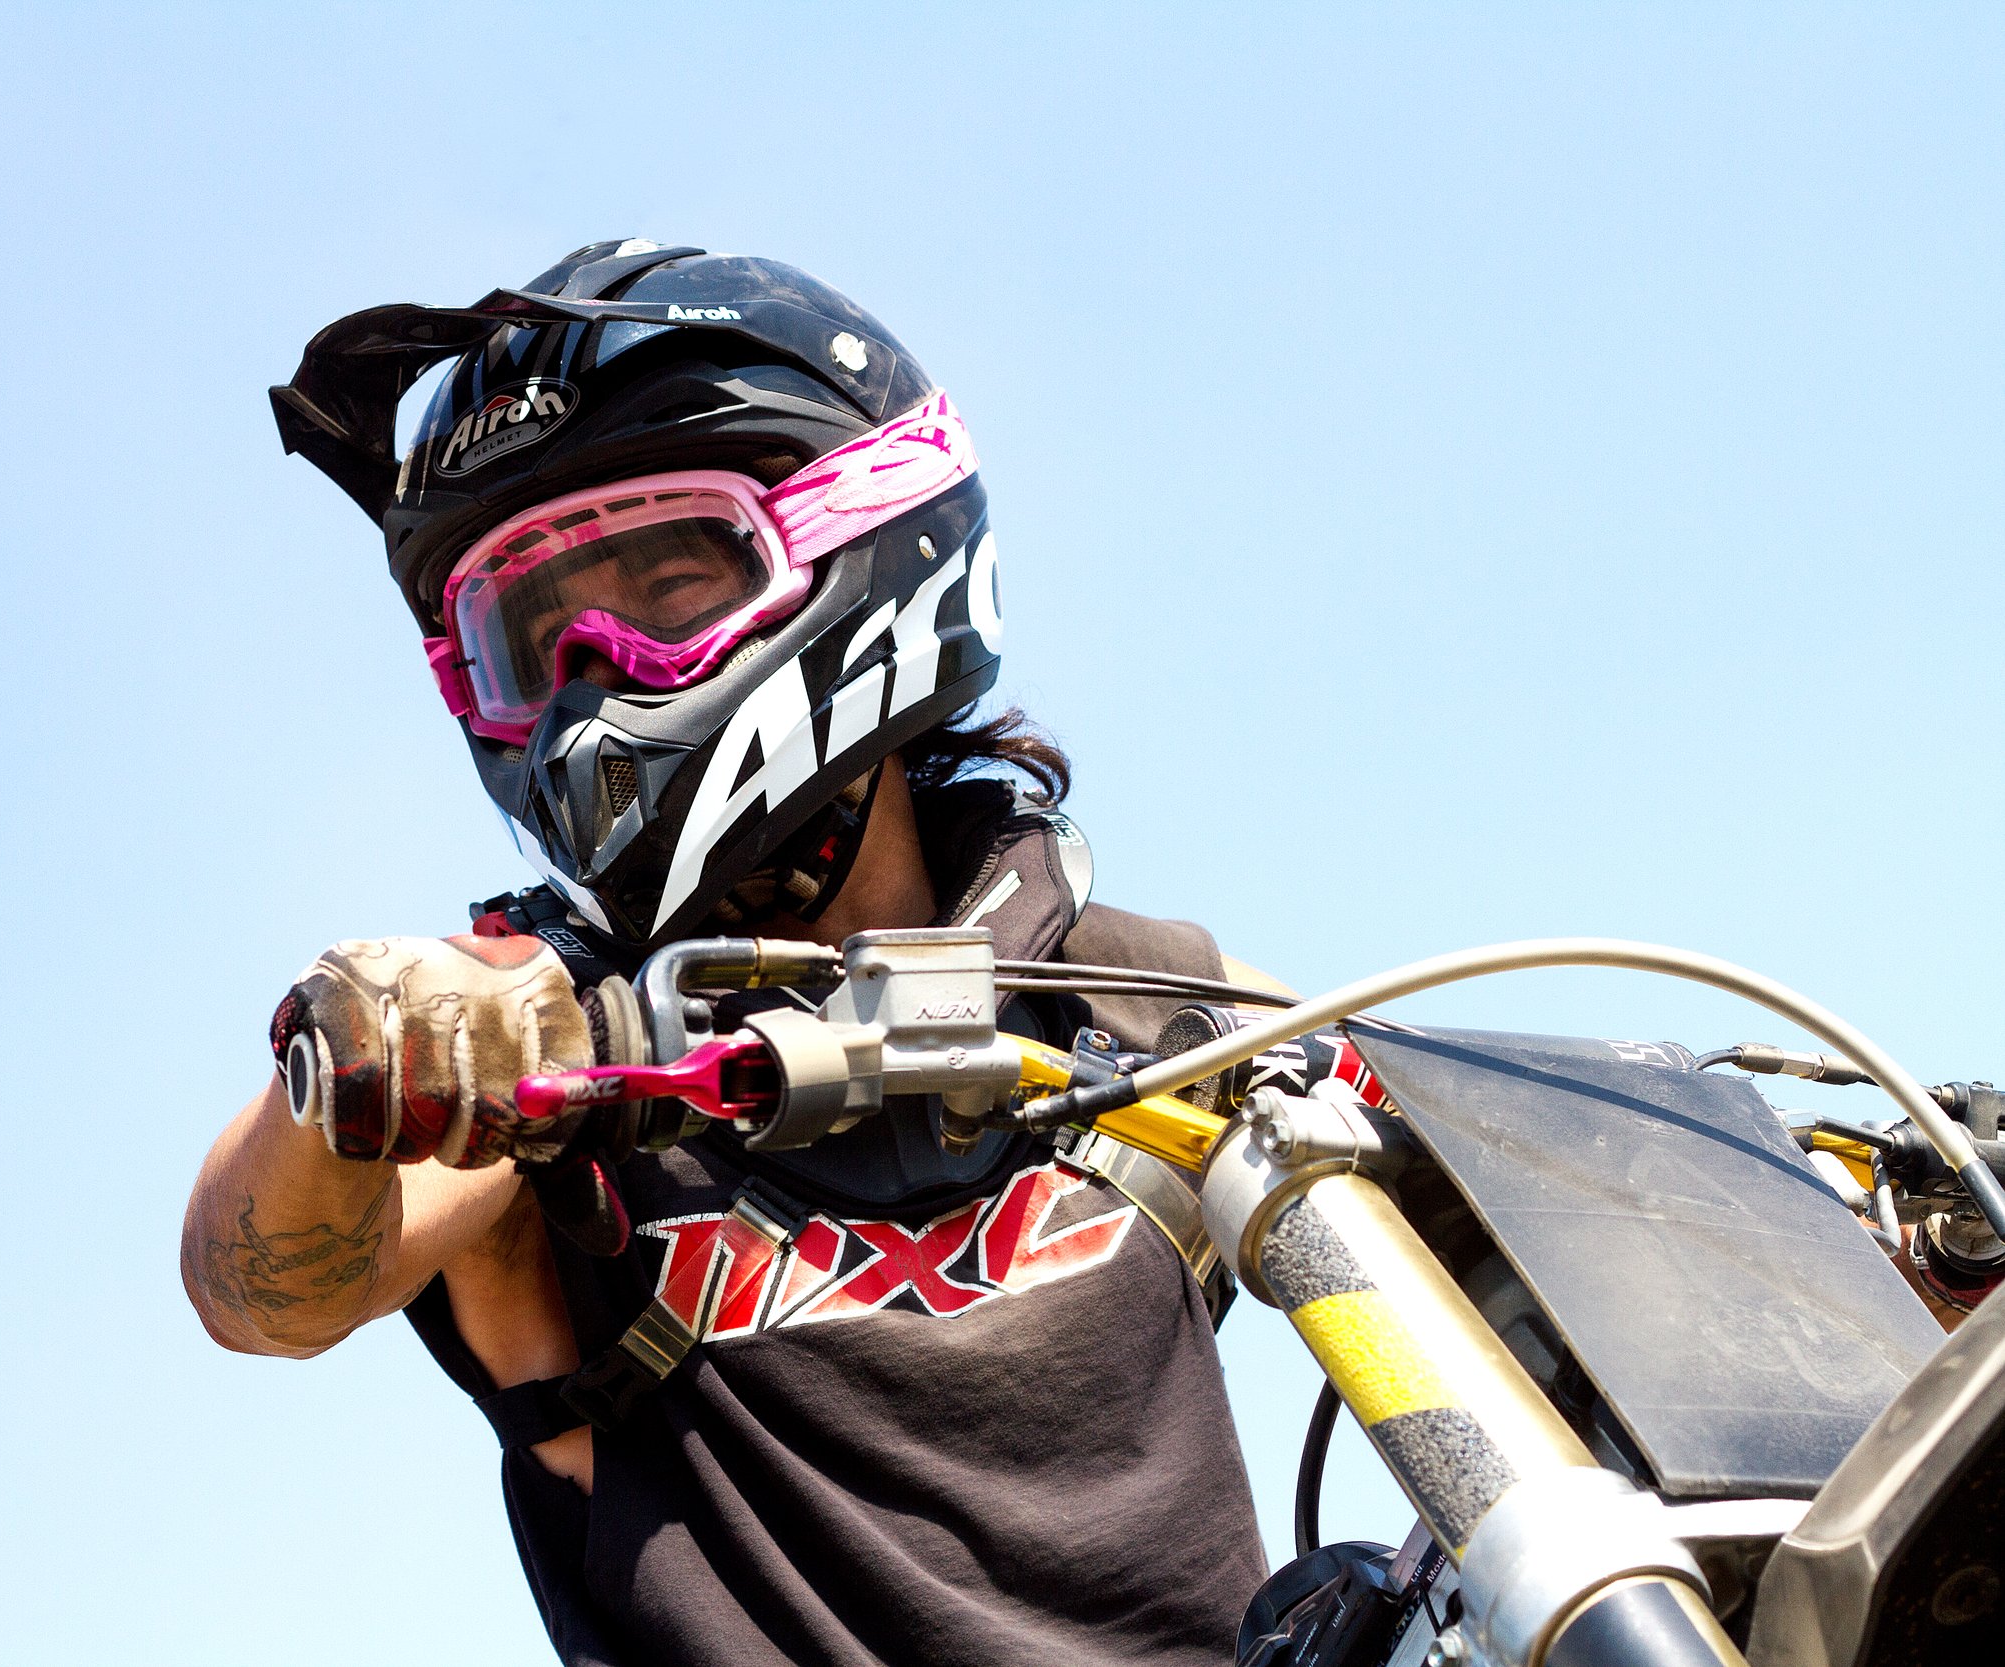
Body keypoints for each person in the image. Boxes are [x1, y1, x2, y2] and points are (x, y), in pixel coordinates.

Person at [182, 241, 1277, 1666]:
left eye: (667, 580)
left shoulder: (1153, 1000)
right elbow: (252, 1288)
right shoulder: (556, 1049)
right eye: (535, 635)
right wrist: (359, 1051)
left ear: (862, 540)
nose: (592, 663)